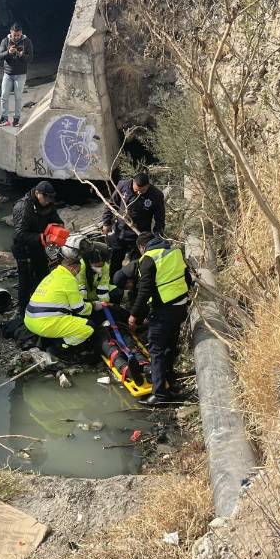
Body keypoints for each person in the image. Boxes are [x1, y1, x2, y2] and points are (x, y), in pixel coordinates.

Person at [129, 234, 191, 406]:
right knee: (170, 346)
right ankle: (171, 385)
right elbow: (187, 277)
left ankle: (160, 395)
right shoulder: (174, 251)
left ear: (142, 247)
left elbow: (144, 291)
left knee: (156, 350)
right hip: (180, 306)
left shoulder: (147, 259)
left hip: (163, 310)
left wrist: (134, 314)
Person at [23, 245, 100, 354]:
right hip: (44, 324)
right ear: (73, 268)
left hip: (30, 320)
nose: (77, 274)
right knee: (88, 327)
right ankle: (61, 347)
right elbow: (80, 309)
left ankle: (50, 339)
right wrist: (94, 305)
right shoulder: (69, 279)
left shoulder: (53, 275)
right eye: (77, 271)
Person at [12, 181, 63, 317]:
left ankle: (40, 305)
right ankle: (23, 312)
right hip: (24, 249)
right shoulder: (23, 207)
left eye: (50, 199)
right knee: (25, 282)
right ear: (37, 193)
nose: (47, 201)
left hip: (39, 247)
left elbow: (55, 218)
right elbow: (20, 233)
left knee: (43, 276)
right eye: (45, 198)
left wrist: (59, 226)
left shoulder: (49, 203)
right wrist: (41, 237)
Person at [102, 171, 166, 273]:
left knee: (136, 264)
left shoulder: (156, 195)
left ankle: (134, 281)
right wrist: (106, 222)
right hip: (120, 231)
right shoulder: (123, 185)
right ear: (133, 182)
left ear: (148, 185)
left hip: (139, 235)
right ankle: (114, 280)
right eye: (136, 190)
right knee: (115, 260)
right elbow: (111, 204)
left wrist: (157, 235)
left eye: (142, 190)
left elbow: (160, 218)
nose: (139, 193)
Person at [0, 23, 34, 128]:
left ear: (21, 33)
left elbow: (30, 58)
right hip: (8, 74)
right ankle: (4, 119)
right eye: (14, 35)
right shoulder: (5, 41)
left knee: (18, 97)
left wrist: (22, 55)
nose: (16, 37)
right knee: (4, 96)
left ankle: (16, 119)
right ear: (10, 33)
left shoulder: (27, 42)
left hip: (20, 74)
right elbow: (0, 56)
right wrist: (8, 52)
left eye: (18, 35)